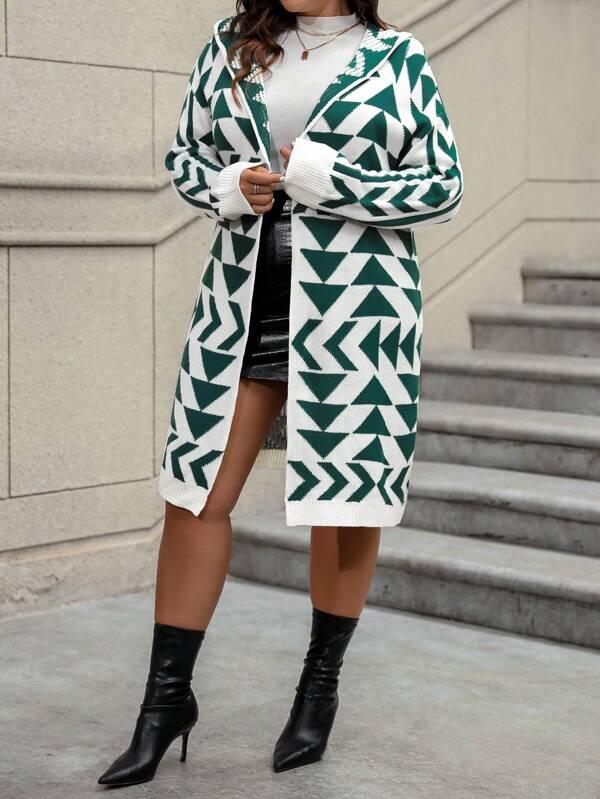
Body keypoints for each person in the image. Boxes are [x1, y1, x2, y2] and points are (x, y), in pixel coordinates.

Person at [98, 0, 463, 787]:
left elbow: (443, 185)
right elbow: (185, 156)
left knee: (345, 502)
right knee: (197, 491)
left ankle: (317, 692)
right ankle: (164, 704)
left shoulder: (398, 57)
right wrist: (230, 184)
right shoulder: (233, 45)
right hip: (244, 297)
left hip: (359, 313)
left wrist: (332, 182)